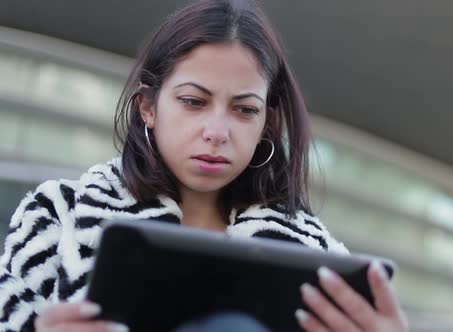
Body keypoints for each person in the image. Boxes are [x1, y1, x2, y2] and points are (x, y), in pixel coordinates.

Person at [0, 0, 408, 331]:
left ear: (266, 122)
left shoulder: (316, 257)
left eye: (245, 109)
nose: (217, 131)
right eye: (194, 102)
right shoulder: (58, 216)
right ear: (147, 107)